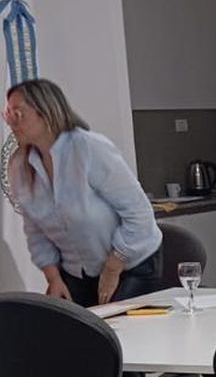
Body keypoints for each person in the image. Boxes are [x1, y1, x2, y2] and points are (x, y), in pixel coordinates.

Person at [5, 78, 161, 306]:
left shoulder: (89, 148)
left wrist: (112, 268)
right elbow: (35, 231)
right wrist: (53, 278)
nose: (11, 121)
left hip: (130, 264)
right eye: (9, 113)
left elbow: (139, 214)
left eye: (18, 113)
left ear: (45, 111)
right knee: (68, 325)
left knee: (114, 325)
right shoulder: (19, 166)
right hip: (77, 271)